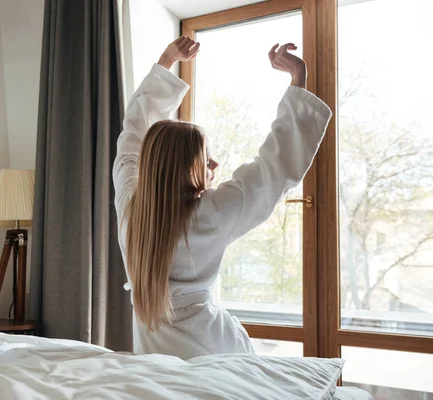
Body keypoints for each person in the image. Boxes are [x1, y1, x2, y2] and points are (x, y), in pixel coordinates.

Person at [113, 36, 332, 359]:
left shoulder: (130, 206)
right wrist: (298, 80)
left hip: (152, 352)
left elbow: (134, 133)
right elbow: (272, 168)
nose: (214, 165)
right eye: (206, 157)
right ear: (184, 166)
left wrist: (166, 60)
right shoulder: (210, 214)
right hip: (214, 350)